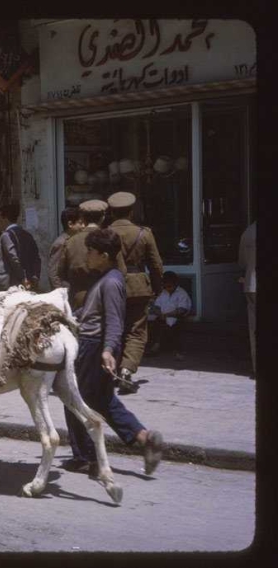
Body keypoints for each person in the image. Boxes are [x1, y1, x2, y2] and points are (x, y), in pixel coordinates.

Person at [61, 228, 164, 477]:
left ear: (104, 255)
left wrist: (108, 351)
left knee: (73, 400)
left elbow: (115, 322)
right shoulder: (107, 278)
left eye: (91, 251)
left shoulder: (112, 282)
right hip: (95, 345)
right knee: (104, 401)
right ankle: (144, 438)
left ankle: (86, 457)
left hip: (93, 347)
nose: (87, 255)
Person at [107, 191, 164, 394]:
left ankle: (112, 369)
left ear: (111, 212)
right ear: (131, 212)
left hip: (112, 286)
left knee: (114, 329)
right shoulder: (143, 233)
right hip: (139, 287)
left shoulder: (106, 233)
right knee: (136, 331)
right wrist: (157, 288)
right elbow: (156, 265)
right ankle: (126, 370)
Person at [57, 199, 108, 310]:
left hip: (78, 298)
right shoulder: (108, 238)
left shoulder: (71, 241)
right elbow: (120, 270)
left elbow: (61, 272)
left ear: (83, 219)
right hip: (104, 296)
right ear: (103, 217)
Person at [0, 202, 41, 291]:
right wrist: (35, 276)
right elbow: (36, 258)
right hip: (28, 282)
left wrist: (23, 278)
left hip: (12, 285)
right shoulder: (27, 235)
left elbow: (13, 258)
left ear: (5, 218)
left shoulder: (6, 236)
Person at [147, 271, 192, 360]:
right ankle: (155, 347)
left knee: (177, 327)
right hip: (163, 317)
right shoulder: (163, 293)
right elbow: (156, 306)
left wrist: (167, 315)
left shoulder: (182, 293)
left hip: (177, 317)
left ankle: (178, 351)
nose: (167, 288)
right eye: (165, 286)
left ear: (175, 284)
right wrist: (160, 314)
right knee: (155, 325)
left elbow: (182, 310)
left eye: (170, 286)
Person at [48, 207, 84, 290]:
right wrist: (60, 294)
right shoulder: (61, 243)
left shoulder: (73, 240)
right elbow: (53, 273)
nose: (83, 226)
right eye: (80, 223)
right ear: (70, 224)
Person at [238, 221, 256, 378]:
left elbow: (242, 261)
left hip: (252, 285)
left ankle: (258, 366)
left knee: (255, 329)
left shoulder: (248, 232)